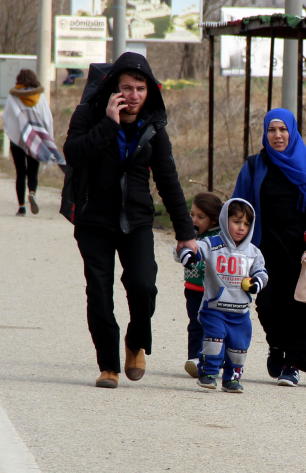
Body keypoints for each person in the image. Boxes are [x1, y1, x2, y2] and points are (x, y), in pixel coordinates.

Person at [63, 52, 196, 389]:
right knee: (99, 292)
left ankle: (135, 341)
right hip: (94, 220)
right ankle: (108, 366)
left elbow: (168, 180)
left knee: (142, 287)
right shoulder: (88, 115)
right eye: (127, 88)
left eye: (140, 88)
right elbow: (73, 154)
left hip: (136, 221)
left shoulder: (153, 125)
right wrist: (109, 124)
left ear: (149, 90)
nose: (134, 95)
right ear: (113, 90)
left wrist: (185, 232)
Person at [231, 108, 306, 387]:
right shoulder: (254, 166)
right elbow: (237, 207)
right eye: (272, 130)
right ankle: (276, 345)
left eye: (283, 130)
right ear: (265, 133)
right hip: (264, 248)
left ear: (292, 131)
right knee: (266, 304)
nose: (277, 136)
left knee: (300, 306)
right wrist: (233, 241)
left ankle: (291, 364)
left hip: (303, 249)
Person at [177, 198, 267, 393]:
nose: (241, 227)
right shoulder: (212, 244)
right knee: (214, 341)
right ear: (225, 220)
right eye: (236, 222)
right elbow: (191, 248)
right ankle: (208, 373)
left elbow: (261, 272)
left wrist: (256, 283)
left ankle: (231, 378)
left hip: (240, 313)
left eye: (246, 224)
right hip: (214, 308)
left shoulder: (253, 252)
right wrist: (186, 254)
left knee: (239, 348)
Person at [1, 68, 63, 216]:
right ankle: (33, 193)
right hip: (36, 140)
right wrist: (49, 139)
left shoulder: (13, 97)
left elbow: (6, 117)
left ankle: (22, 207)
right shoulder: (39, 97)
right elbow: (47, 119)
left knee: (20, 173)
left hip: (18, 140)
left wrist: (13, 132)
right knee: (33, 171)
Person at [181, 192, 223, 377]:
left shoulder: (220, 237)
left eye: (200, 217)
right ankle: (195, 359)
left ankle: (216, 359)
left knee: (214, 326)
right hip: (193, 289)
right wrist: (181, 249)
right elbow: (178, 255)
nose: (194, 220)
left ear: (214, 220)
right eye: (192, 215)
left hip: (213, 291)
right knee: (195, 325)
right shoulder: (189, 235)